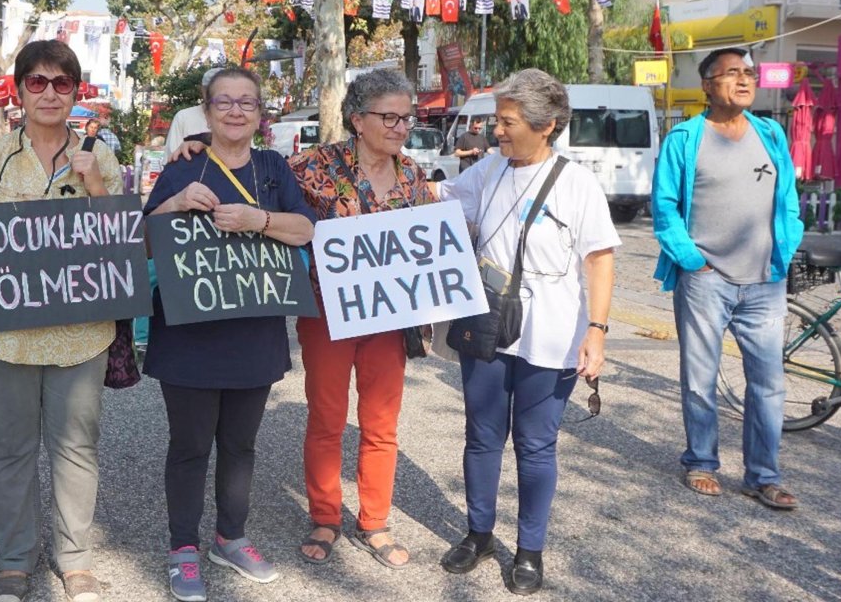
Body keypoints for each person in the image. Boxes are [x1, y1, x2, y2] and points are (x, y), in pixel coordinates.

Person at [0, 40, 123, 602]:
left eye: (62, 82)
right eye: (37, 82)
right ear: (19, 90)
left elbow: (120, 245)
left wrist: (95, 183)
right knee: (9, 452)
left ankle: (75, 560)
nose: (49, 93)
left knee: (77, 451)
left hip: (82, 337)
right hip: (8, 340)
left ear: (76, 91)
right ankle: (13, 561)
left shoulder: (101, 156)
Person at [436, 69, 618, 595]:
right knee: (482, 434)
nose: (496, 131)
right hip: (487, 322)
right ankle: (479, 534)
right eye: (497, 120)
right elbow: (442, 199)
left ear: (546, 125)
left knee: (536, 445)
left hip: (552, 332)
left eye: (508, 122)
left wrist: (597, 331)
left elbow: (600, 260)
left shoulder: (578, 184)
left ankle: (529, 550)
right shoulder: (489, 169)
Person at [144, 66, 315, 602]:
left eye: (247, 102)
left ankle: (230, 538)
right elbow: (143, 240)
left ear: (261, 113)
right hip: (188, 337)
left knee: (240, 445)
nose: (236, 111)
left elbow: (305, 228)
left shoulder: (273, 168)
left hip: (254, 333)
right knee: (190, 447)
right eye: (225, 102)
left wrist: (258, 220)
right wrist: (174, 204)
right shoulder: (183, 166)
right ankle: (182, 549)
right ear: (207, 109)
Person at [289, 69, 436, 571]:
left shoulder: (413, 174)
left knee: (381, 425)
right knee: (327, 419)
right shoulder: (312, 167)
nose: (401, 127)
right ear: (357, 119)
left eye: (407, 118)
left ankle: (374, 521)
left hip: (390, 320)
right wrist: (198, 146)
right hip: (327, 316)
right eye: (389, 117)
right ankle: (324, 517)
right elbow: (255, 178)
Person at [651, 48, 803, 510]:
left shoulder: (770, 132)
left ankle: (763, 476)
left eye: (749, 73)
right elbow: (664, 208)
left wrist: (785, 249)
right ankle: (701, 461)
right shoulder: (685, 139)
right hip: (706, 281)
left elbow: (788, 198)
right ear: (707, 85)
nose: (744, 80)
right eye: (731, 73)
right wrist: (692, 261)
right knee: (700, 378)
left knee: (769, 382)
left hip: (765, 281)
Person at [163, 67, 223, 159]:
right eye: (209, 89)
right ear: (202, 89)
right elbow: (171, 156)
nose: (214, 94)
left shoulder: (236, 119)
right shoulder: (183, 117)